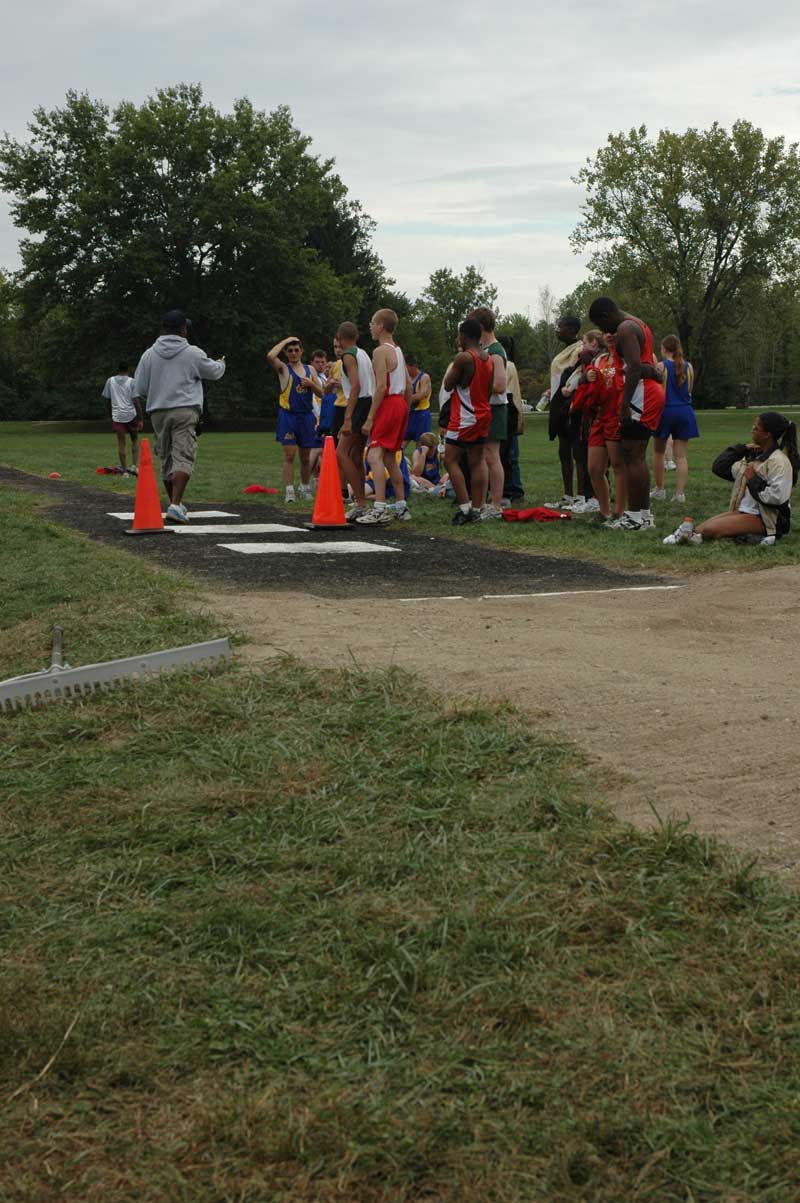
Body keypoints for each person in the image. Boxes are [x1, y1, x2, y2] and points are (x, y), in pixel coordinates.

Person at [132, 309, 225, 523]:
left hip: (158, 412)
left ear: (163, 328)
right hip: (185, 409)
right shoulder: (192, 352)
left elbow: (140, 388)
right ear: (183, 329)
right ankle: (175, 504)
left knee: (166, 458)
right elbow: (215, 372)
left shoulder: (148, 354)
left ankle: (175, 503)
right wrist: (221, 362)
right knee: (183, 456)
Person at [663, 412, 799, 546]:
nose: (752, 430)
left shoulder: (779, 461)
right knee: (700, 529)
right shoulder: (754, 456)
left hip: (768, 519)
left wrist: (752, 479)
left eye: (756, 428)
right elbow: (719, 467)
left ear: (767, 434)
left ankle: (761, 538)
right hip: (745, 512)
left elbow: (777, 497)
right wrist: (742, 448)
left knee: (710, 531)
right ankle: (692, 536)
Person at [588, 296, 665, 531]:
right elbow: (642, 364)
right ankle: (643, 515)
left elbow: (633, 368)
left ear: (606, 317)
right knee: (637, 456)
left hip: (639, 395)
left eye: (601, 325)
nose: (603, 331)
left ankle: (634, 516)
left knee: (632, 456)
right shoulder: (636, 322)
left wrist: (624, 406)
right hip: (645, 391)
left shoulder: (625, 328)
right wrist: (652, 372)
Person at [443, 318, 502, 525]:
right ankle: (478, 508)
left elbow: (448, 385)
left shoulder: (464, 357)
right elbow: (487, 391)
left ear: (463, 336)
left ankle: (465, 507)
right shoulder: (488, 358)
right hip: (483, 413)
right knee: (477, 461)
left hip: (465, 416)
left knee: (450, 459)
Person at [356, 309, 411, 525]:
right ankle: (401, 505)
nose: (370, 327)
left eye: (372, 323)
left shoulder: (380, 352)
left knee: (373, 456)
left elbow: (380, 387)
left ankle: (379, 507)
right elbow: (407, 385)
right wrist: (404, 409)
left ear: (381, 326)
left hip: (388, 403)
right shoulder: (397, 350)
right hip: (399, 405)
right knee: (390, 458)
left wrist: (370, 418)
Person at [267, 336, 324, 503]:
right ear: (285, 352)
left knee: (306, 458)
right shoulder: (284, 369)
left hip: (306, 417)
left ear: (301, 351)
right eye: (289, 350)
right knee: (289, 455)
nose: (293, 353)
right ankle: (290, 491)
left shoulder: (310, 370)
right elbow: (270, 356)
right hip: (289, 416)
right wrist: (286, 341)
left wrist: (312, 385)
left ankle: (305, 488)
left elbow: (322, 394)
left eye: (296, 350)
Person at [468, 307, 507, 519]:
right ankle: (482, 503)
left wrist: (473, 387)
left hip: (494, 408)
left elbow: (500, 385)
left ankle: (496, 505)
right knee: (481, 456)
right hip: (483, 408)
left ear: (481, 326)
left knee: (492, 456)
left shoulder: (495, 352)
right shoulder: (484, 350)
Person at [650, 335, 699, 504]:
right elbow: (689, 390)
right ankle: (679, 494)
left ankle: (660, 489)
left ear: (664, 349)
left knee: (658, 452)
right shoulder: (689, 367)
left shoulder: (661, 366)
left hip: (665, 411)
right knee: (681, 456)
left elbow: (655, 390)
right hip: (685, 411)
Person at [336, 321, 376, 522]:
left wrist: (348, 418)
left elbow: (355, 386)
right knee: (356, 455)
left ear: (339, 338)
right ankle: (361, 502)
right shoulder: (363, 354)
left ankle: (360, 502)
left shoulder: (349, 355)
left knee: (341, 453)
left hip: (359, 404)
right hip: (368, 402)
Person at [562, 329, 605, 512]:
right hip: (584, 415)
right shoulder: (587, 363)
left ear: (594, 343)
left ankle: (595, 497)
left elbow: (590, 388)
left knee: (594, 461)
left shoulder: (595, 362)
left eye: (585, 342)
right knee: (583, 457)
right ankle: (587, 496)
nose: (582, 347)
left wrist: (578, 387)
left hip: (591, 415)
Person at [547, 315, 585, 508]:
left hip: (571, 405)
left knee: (577, 451)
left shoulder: (579, 349)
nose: (557, 330)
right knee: (563, 451)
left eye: (560, 326)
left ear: (571, 329)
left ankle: (581, 496)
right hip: (558, 405)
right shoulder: (565, 350)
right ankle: (567, 495)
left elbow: (574, 374)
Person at [497, 334, 525, 502]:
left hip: (506, 411)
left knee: (506, 455)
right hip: (513, 411)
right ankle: (515, 488)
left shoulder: (506, 366)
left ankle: (512, 489)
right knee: (511, 455)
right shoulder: (511, 365)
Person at [103, 362, 142, 476]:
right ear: (128, 370)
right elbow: (136, 401)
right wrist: (140, 418)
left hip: (117, 416)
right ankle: (134, 466)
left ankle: (125, 471)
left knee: (121, 443)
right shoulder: (132, 381)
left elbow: (107, 401)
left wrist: (111, 416)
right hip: (131, 415)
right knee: (134, 440)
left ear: (118, 370)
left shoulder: (110, 381)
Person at [403, 353, 432, 451]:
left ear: (413, 366)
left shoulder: (424, 377)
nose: (404, 371)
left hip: (421, 416)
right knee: (400, 446)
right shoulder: (407, 379)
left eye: (406, 368)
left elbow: (421, 395)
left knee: (420, 448)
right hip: (410, 415)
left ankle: (420, 465)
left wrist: (403, 399)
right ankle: (401, 464)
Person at [411, 431, 449, 495]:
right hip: (423, 481)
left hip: (437, 481)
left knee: (449, 474)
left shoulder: (438, 451)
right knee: (412, 477)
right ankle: (435, 489)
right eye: (429, 448)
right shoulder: (418, 453)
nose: (431, 451)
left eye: (432, 447)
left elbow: (451, 465)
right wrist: (423, 454)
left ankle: (436, 488)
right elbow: (416, 473)